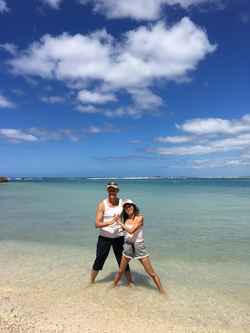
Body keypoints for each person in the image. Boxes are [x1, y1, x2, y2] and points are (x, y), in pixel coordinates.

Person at [106, 199, 169, 298]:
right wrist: (113, 222)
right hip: (128, 246)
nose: (128, 208)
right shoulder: (126, 219)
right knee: (120, 270)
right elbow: (123, 229)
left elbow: (131, 231)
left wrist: (119, 222)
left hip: (139, 246)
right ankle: (113, 285)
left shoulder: (140, 218)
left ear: (134, 207)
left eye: (130, 206)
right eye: (126, 207)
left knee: (151, 272)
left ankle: (162, 292)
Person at [86, 182, 134, 288]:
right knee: (99, 260)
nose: (112, 191)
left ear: (118, 191)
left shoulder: (122, 203)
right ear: (107, 191)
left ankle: (130, 283)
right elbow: (96, 224)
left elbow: (130, 215)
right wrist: (109, 223)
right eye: (110, 189)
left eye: (114, 189)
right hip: (104, 238)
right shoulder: (102, 205)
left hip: (119, 238)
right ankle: (90, 283)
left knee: (123, 260)